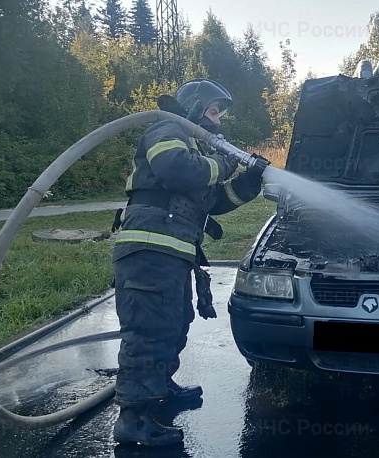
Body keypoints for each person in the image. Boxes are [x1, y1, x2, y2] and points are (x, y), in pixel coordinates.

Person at [110, 79, 268, 447]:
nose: (219, 121)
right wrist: (226, 160)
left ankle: (161, 386)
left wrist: (248, 183)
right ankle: (133, 418)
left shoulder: (198, 149)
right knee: (148, 330)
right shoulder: (167, 128)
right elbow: (177, 170)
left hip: (173, 251)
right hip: (149, 248)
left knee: (173, 323)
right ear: (196, 107)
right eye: (215, 111)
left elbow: (211, 201)